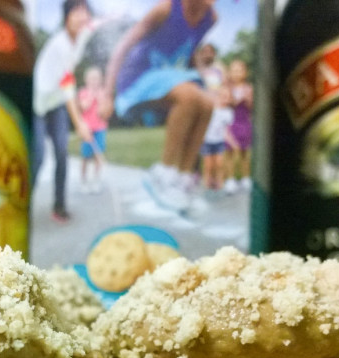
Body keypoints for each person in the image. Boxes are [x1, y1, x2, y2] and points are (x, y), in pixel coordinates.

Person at [98, 0, 217, 213]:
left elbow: (187, 48)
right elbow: (122, 46)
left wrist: (201, 74)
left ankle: (182, 180)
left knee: (207, 103)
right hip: (136, 78)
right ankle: (163, 173)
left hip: (169, 76)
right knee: (189, 97)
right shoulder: (166, 9)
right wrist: (107, 93)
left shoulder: (211, 18)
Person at [33, 0, 95, 223]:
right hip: (39, 103)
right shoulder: (59, 45)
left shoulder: (81, 36)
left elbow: (93, 27)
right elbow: (68, 86)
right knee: (38, 157)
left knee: (62, 153)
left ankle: (59, 206)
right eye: (76, 13)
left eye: (85, 13)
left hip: (57, 102)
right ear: (66, 17)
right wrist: (79, 123)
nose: (82, 17)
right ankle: (20, 205)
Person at [223, 58, 254, 194]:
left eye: (239, 70)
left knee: (244, 152)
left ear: (245, 73)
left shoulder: (249, 88)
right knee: (229, 152)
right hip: (230, 123)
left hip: (244, 122)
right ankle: (230, 179)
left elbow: (252, 106)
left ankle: (245, 178)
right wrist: (232, 100)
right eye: (233, 70)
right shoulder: (227, 88)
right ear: (229, 73)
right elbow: (223, 104)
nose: (236, 73)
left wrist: (247, 100)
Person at [77, 66, 108, 194]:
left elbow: (104, 110)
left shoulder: (103, 92)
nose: (95, 81)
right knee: (85, 156)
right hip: (87, 129)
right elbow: (84, 107)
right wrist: (91, 96)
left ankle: (96, 180)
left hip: (100, 128)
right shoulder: (83, 92)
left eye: (97, 79)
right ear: (86, 80)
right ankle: (83, 181)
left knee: (98, 154)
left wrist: (100, 98)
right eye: (92, 79)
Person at [201, 86, 238, 191]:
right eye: (222, 96)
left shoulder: (228, 113)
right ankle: (207, 183)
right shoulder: (211, 109)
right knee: (208, 165)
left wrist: (233, 142)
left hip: (219, 141)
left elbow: (226, 131)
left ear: (230, 99)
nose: (224, 99)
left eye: (227, 97)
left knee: (219, 163)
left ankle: (219, 183)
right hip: (207, 141)